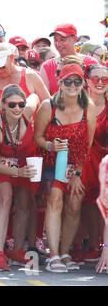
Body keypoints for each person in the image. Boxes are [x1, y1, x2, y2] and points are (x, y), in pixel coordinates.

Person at [34, 63, 96, 273]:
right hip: (52, 161)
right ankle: (53, 255)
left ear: (83, 83)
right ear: (59, 83)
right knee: (55, 200)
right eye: (67, 81)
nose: (72, 85)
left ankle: (65, 251)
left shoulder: (88, 106)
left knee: (75, 203)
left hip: (76, 162)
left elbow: (87, 145)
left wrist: (77, 173)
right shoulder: (47, 106)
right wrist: (51, 145)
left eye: (77, 81)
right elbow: (38, 138)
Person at [0, 84, 39, 271]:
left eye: (21, 104)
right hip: (2, 167)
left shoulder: (27, 113)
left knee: (25, 201)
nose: (17, 108)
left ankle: (17, 250)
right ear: (2, 105)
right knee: (5, 197)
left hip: (24, 165)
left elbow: (35, 95)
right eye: (12, 105)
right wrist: (18, 172)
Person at [74, 64, 107, 262]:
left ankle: (99, 246)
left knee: (100, 204)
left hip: (104, 162)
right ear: (87, 80)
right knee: (80, 203)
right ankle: (82, 243)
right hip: (81, 160)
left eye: (105, 79)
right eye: (96, 78)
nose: (101, 83)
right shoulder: (77, 102)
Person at [0, 42, 51, 117]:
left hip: (28, 127)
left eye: (2, 67)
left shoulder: (30, 76)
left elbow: (49, 105)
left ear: (11, 58)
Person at [40, 23, 98, 95]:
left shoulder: (91, 62)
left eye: (62, 40)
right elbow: (45, 98)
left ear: (74, 39)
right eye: (55, 40)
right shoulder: (47, 66)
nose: (58, 44)